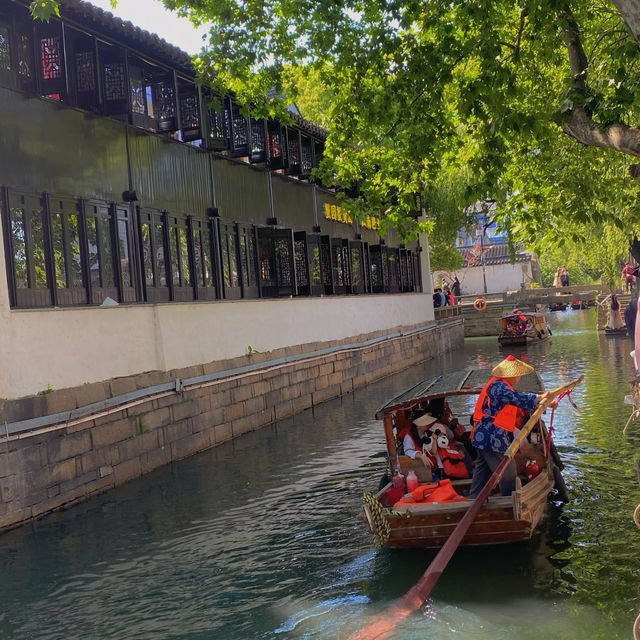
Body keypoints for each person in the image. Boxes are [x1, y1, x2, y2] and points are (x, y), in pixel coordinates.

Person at [468, 355, 557, 499]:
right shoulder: (498, 386)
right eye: (518, 375)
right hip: (491, 435)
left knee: (482, 469)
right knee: (507, 469)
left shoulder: (500, 385)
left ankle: (473, 498)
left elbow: (518, 401)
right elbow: (515, 398)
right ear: (512, 375)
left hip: (486, 434)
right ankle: (508, 500)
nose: (519, 377)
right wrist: (539, 398)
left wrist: (544, 402)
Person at [402, 413, 437, 482]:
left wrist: (435, 440)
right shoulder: (408, 437)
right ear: (418, 425)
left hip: (431, 469)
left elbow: (433, 452)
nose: (427, 423)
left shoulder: (428, 434)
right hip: (418, 471)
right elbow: (408, 451)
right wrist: (420, 455)